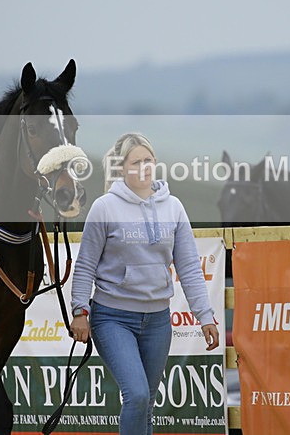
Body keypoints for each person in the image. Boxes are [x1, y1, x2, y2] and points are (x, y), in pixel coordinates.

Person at [70, 132, 220, 435]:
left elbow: (189, 267)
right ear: (122, 168)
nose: (143, 167)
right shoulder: (104, 208)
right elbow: (85, 264)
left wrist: (205, 316)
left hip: (157, 321)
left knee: (146, 404)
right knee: (136, 395)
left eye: (148, 161)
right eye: (136, 162)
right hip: (113, 318)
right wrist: (79, 310)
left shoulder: (173, 207)